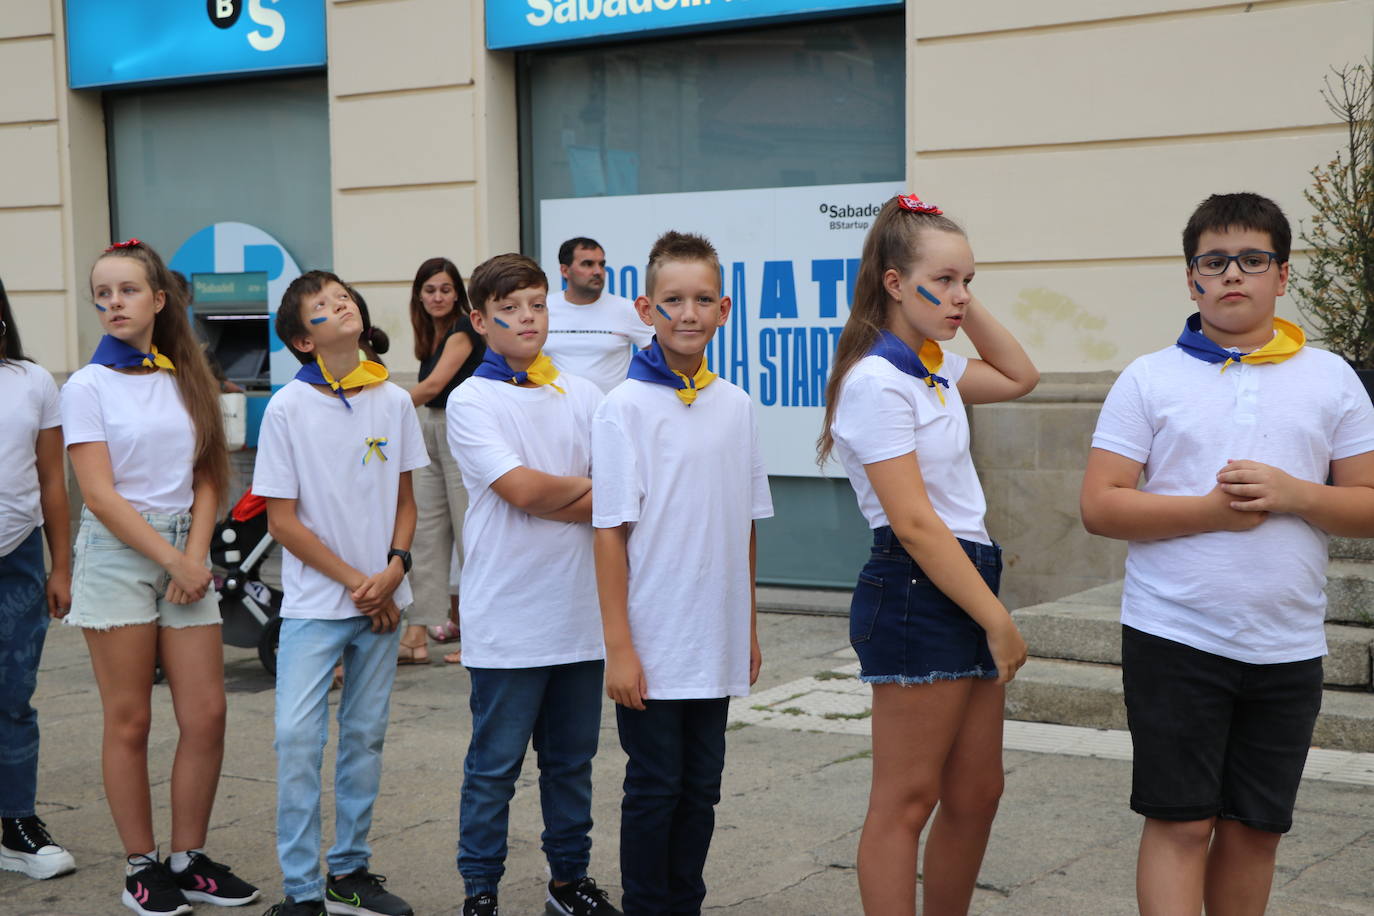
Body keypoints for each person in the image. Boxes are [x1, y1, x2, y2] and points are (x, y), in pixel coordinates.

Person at [1080, 192, 1374, 916]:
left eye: (1252, 259)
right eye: (1214, 262)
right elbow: (1101, 504)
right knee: (1180, 822)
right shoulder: (1149, 378)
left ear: (1282, 274)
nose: (1232, 274)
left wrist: (1292, 494)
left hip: (1287, 643)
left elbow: (1367, 505)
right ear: (1192, 280)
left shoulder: (1332, 377)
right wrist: (1210, 512)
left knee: (1255, 830)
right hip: (1174, 633)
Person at [817, 195, 1038, 916]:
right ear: (891, 282)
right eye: (942, 281)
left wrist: (953, 304)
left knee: (976, 794)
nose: (960, 296)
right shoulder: (877, 380)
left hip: (964, 575)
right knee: (905, 801)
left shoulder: (931, 370)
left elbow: (1018, 376)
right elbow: (913, 522)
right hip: (918, 586)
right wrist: (996, 619)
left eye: (967, 281)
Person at [61, 240, 260, 915]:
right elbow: (101, 494)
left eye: (125, 290)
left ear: (157, 299)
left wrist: (194, 556)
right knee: (130, 719)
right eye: (103, 293)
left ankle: (189, 857)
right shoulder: (86, 385)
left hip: (186, 551)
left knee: (206, 713)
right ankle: (142, 867)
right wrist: (173, 560)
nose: (112, 303)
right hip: (120, 553)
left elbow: (211, 474)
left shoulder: (185, 374)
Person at [592, 230, 775, 916]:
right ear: (646, 308)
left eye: (703, 300)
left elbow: (744, 525)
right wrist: (620, 649)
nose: (688, 313)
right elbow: (609, 534)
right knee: (655, 786)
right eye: (673, 300)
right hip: (654, 638)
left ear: (724, 309)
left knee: (702, 787)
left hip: (716, 637)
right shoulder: (623, 409)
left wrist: (747, 630)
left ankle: (684, 904)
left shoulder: (736, 405)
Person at [445, 254, 618, 916]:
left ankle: (568, 882)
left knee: (571, 766)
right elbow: (518, 490)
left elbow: (616, 491)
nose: (527, 318)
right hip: (508, 618)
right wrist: (590, 493)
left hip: (579, 615)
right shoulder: (472, 399)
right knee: (493, 770)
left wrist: (567, 494)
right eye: (511, 308)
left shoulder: (585, 394)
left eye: (537, 305)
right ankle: (480, 889)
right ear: (480, 319)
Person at [252, 271, 427, 916]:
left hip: (384, 601)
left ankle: (349, 871)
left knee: (365, 736)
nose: (338, 304)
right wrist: (359, 582)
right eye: (320, 306)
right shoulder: (287, 408)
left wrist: (395, 568)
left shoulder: (393, 399)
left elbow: (407, 502)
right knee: (298, 739)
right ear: (303, 339)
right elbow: (282, 521)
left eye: (342, 296)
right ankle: (300, 891)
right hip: (316, 607)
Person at [0, 278, 76, 882]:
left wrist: (61, 566)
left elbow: (54, 481)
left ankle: (15, 822)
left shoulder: (33, 381)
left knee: (12, 695)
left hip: (17, 559)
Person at [402, 258, 483, 666]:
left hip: (460, 429)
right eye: (430, 289)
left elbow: (435, 385)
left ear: (458, 293)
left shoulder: (465, 328)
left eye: (445, 289)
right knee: (426, 534)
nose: (437, 297)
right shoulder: (429, 333)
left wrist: (379, 409)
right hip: (431, 426)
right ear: (419, 293)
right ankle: (417, 632)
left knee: (472, 534)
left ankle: (480, 636)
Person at [543, 237, 653, 394]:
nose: (598, 271)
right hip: (557, 412)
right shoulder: (544, 308)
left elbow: (663, 355)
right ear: (565, 271)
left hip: (611, 414)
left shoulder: (626, 309)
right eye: (588, 264)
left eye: (601, 264)